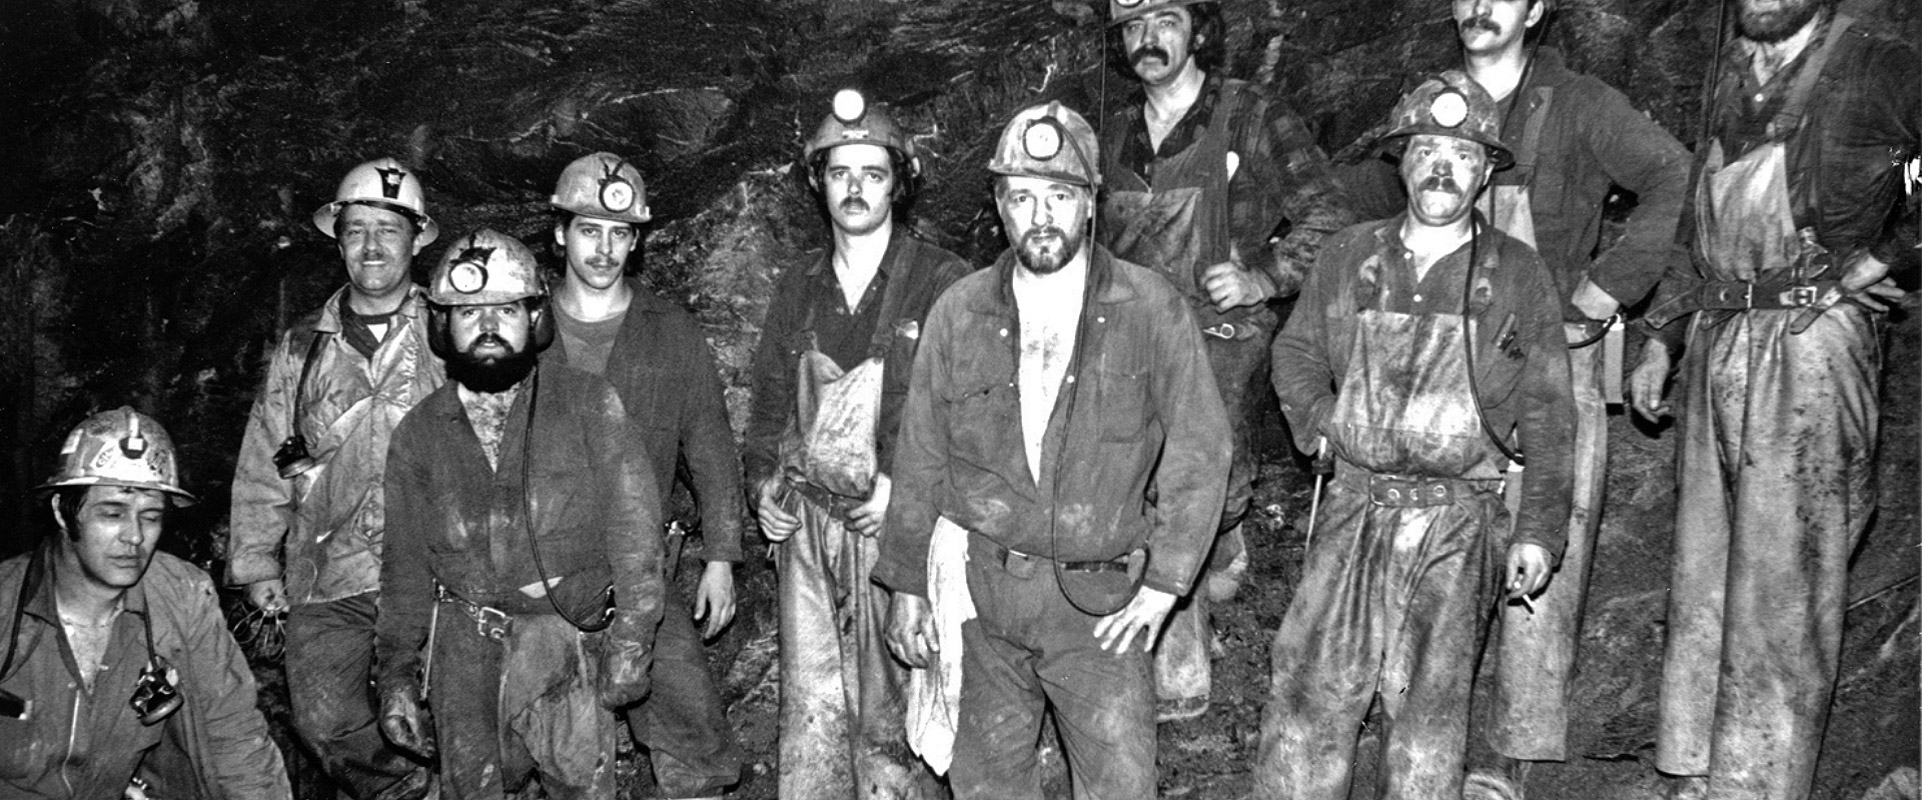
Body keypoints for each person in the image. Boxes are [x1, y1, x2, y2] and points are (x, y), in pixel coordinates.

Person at [876, 100, 1232, 800]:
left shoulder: (1149, 307)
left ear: (1091, 204)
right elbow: (920, 454)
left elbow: (1201, 446)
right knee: (988, 786)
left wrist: (1167, 584)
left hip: (1101, 609)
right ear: (999, 208)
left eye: (1060, 196)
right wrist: (908, 585)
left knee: (1120, 787)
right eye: (1022, 198)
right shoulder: (961, 310)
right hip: (984, 601)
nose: (1041, 216)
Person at [1253, 72, 1576, 800]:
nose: (1440, 167)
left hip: (1457, 521)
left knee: (1430, 715)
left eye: (1460, 154)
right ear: (1400, 160)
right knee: (1309, 696)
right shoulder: (1347, 257)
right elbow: (1295, 353)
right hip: (1352, 508)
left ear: (1486, 169)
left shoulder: (1517, 274)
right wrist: (1320, 426)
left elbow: (1551, 411)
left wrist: (1538, 531)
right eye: (1426, 149)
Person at [1629, 0, 1918, 796]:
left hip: (1811, 344)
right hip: (1722, 331)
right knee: (1707, 576)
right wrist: (1664, 334)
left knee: (1783, 587)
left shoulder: (1880, 63)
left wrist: (1890, 253)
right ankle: (1699, 770)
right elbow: (1696, 220)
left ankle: (1758, 786)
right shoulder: (1729, 70)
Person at [1445, 0, 1692, 791]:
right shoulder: (1434, 102)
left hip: (1548, 357)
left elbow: (1678, 181)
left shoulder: (1580, 104)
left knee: (1540, 552)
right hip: (1447, 358)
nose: (1480, 6)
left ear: (1536, 8)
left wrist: (1604, 290)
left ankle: (1510, 758)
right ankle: (1426, 734)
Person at [1098, 0, 1356, 722]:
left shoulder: (1248, 114)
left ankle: (1221, 535)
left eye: (1166, 18)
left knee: (1203, 473)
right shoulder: (1111, 130)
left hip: (1220, 333)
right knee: (1141, 475)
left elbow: (1330, 212)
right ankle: (1174, 655)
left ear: (1199, 28)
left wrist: (1263, 276)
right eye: (1133, 25)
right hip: (1132, 333)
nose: (1149, 38)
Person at [373, 229, 664, 800]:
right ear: (441, 328)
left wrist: (632, 641)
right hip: (464, 652)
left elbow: (636, 533)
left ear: (536, 320)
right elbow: (403, 568)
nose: (486, 326)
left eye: (505, 309)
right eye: (467, 313)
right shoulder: (418, 435)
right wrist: (397, 678)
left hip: (568, 645)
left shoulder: (589, 403)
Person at [742, 89, 970, 799]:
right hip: (809, 534)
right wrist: (761, 488)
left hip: (898, 529)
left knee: (898, 717)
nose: (855, 188)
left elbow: (966, 415)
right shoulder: (798, 287)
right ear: (818, 181)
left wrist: (905, 491)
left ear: (899, 183)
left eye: (873, 173)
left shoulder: (942, 281)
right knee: (813, 711)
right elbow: (770, 410)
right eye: (839, 172)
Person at [227, 157, 443, 799]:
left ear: (415, 239)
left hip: (435, 566)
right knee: (323, 720)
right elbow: (266, 453)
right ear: (340, 241)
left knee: (450, 710)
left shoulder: (452, 328)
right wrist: (257, 563)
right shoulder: (303, 349)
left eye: (388, 229)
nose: (372, 246)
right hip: (331, 569)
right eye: (356, 230)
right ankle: (404, 792)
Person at [545, 152, 746, 800]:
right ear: (559, 233)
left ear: (636, 241)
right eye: (588, 229)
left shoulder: (670, 331)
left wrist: (721, 555)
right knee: (559, 757)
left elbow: (709, 441)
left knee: (699, 745)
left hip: (641, 579)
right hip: (543, 577)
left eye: (619, 232)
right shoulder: (521, 330)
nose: (604, 247)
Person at [1, 407, 291, 799]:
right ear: (62, 513)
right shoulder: (5, 603)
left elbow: (234, 735)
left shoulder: (181, 596)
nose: (134, 537)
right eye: (113, 513)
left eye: (151, 516)